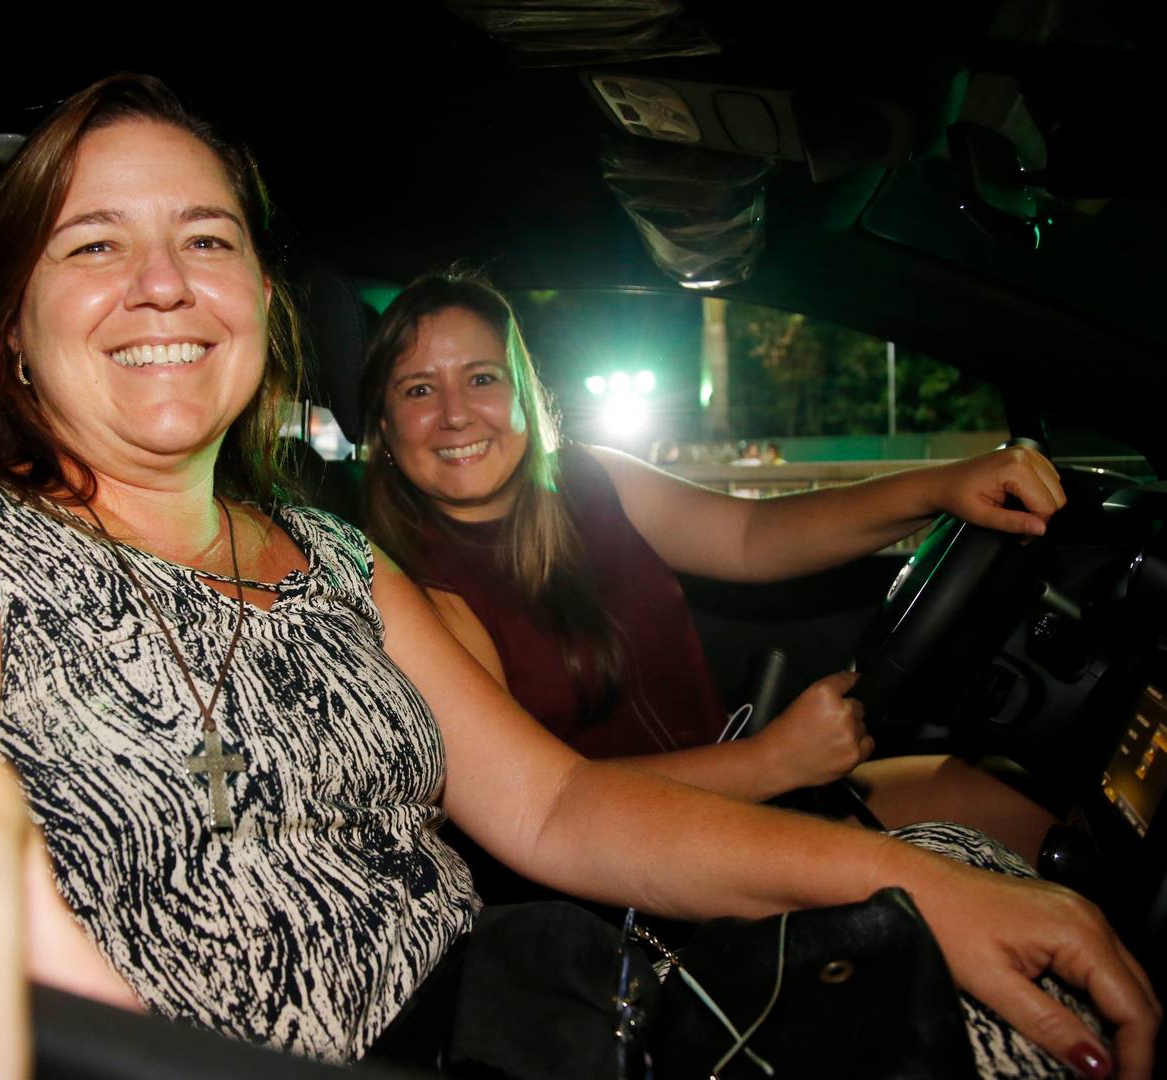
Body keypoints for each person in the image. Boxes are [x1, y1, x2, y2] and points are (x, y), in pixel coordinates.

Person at [0, 77, 1156, 1080]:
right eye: (92, 245)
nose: (164, 282)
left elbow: (564, 814)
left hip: (536, 1004)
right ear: (12, 324)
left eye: (208, 238)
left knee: (976, 891)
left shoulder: (333, 552)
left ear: (260, 307)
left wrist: (907, 883)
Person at [358, 271, 1073, 866]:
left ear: (523, 394)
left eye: (481, 378)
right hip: (644, 876)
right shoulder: (411, 594)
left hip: (752, 804)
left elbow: (753, 535)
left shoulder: (594, 479)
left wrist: (940, 486)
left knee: (1032, 810)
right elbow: (543, 800)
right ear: (385, 431)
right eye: (419, 390)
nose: (456, 415)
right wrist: (771, 762)